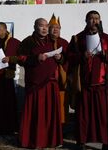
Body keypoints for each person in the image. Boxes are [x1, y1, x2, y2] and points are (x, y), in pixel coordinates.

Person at [68, 10, 108, 150]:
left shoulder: (107, 38)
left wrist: (106, 54)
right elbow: (69, 56)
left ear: (100, 20)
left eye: (97, 18)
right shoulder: (78, 38)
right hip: (85, 83)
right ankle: (81, 143)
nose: (94, 21)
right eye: (91, 18)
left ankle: (107, 142)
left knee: (106, 115)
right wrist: (81, 56)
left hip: (103, 83)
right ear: (86, 21)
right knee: (83, 115)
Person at [17, 18, 63, 148]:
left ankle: (51, 140)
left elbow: (63, 56)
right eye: (40, 26)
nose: (44, 28)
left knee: (50, 113)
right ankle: (34, 140)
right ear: (35, 27)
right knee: (35, 113)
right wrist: (35, 58)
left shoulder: (53, 41)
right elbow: (20, 58)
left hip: (51, 82)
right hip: (35, 83)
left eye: (45, 26)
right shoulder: (28, 42)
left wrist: (60, 58)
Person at [49, 14, 70, 124]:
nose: (55, 30)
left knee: (62, 103)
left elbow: (70, 58)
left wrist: (61, 58)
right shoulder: (45, 41)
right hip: (48, 78)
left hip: (61, 79)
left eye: (57, 28)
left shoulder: (64, 42)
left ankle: (61, 126)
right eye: (52, 28)